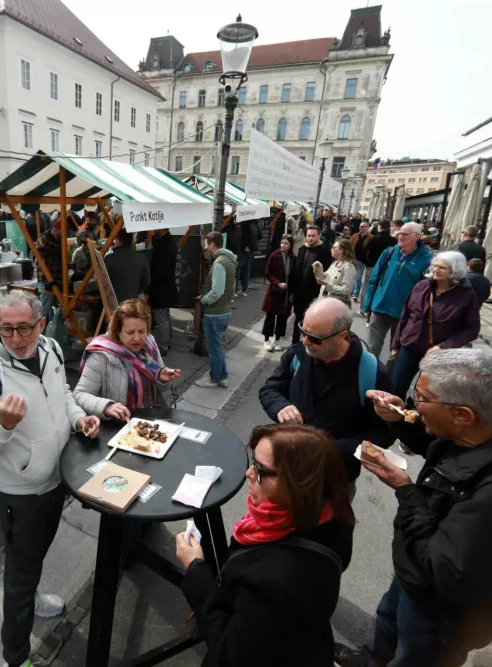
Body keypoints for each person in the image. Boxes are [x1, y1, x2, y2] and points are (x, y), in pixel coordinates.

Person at [336, 350, 492, 667]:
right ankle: (373, 658)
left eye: (422, 399)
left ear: (463, 414)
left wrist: (405, 490)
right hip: (416, 569)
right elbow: (444, 453)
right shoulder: (486, 430)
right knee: (389, 618)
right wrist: (401, 418)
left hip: (443, 606)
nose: (415, 405)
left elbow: (444, 568)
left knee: (415, 653)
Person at [0, 291, 100, 667]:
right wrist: (3, 427)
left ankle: (33, 596)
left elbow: (65, 396)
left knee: (32, 560)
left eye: (24, 328)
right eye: (7, 329)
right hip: (20, 495)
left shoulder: (52, 348)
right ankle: (16, 657)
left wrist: (77, 419)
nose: (17, 339)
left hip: (57, 480)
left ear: (41, 324)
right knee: (18, 577)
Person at [175, 423, 354, 666]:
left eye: (260, 469)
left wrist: (195, 569)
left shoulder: (275, 581)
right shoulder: (330, 514)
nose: (248, 473)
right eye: (253, 461)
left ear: (298, 483)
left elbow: (229, 654)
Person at [258, 298, 393, 487]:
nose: (305, 341)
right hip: (287, 464)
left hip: (333, 478)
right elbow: (270, 389)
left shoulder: (373, 373)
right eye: (303, 331)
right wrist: (280, 406)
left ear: (341, 336)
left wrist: (331, 449)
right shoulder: (297, 354)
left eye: (315, 338)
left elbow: (384, 434)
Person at [390, 251, 481, 399]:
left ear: (455, 270)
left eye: (442, 267)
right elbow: (406, 315)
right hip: (410, 346)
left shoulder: (466, 295)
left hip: (439, 355)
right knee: (396, 388)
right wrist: (396, 344)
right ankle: (393, 420)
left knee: (426, 395)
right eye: (435, 266)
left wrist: (443, 346)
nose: (436, 270)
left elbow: (472, 330)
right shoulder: (421, 286)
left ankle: (418, 419)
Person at [73, 299, 180, 417]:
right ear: (117, 331)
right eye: (130, 332)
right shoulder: (100, 355)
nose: (137, 338)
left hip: (149, 421)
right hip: (119, 426)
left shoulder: (150, 344)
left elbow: (159, 388)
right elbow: (80, 395)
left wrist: (162, 379)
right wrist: (106, 406)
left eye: (142, 331)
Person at [362, 222, 434, 361]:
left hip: (403, 313)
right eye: (399, 233)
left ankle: (389, 379)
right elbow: (374, 279)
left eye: (405, 234)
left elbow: (425, 293)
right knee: (372, 349)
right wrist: (368, 305)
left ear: (417, 236)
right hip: (379, 307)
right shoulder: (389, 252)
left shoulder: (426, 259)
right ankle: (371, 378)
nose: (400, 237)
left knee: (395, 353)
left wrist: (416, 316)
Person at [195, 232, 237, 389]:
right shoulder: (229, 260)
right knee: (218, 347)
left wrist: (203, 300)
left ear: (212, 245)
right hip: (224, 311)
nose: (205, 247)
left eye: (206, 244)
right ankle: (223, 377)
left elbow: (217, 291)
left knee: (213, 349)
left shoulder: (219, 262)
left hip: (215, 313)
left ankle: (213, 379)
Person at [289, 225, 330, 345]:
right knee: (297, 319)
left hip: (313, 294)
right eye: (308, 236)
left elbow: (326, 274)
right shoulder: (302, 249)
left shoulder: (324, 252)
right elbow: (295, 271)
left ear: (318, 236)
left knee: (311, 322)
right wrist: (292, 291)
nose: (310, 238)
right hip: (299, 292)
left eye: (313, 236)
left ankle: (308, 344)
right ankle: (295, 344)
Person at [147, 228, 178, 355]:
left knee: (161, 317)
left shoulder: (163, 244)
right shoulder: (168, 241)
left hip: (161, 288)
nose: (152, 229)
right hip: (167, 287)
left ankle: (163, 346)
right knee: (165, 315)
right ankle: (168, 340)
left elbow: (160, 270)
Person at [261, 235, 295, 351]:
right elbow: (268, 272)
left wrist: (291, 292)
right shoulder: (275, 255)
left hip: (286, 293)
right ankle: (266, 340)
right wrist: (278, 283)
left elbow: (294, 276)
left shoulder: (293, 258)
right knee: (270, 316)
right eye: (282, 243)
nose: (283, 245)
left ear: (290, 245)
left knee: (282, 317)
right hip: (275, 290)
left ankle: (277, 339)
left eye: (286, 243)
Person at [104, 229, 150, 305]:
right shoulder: (141, 258)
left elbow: (103, 282)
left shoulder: (109, 259)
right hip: (133, 302)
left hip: (114, 304)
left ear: (118, 240)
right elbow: (147, 281)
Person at [362, 219, 397, 312]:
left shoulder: (374, 238)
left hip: (372, 266)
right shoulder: (393, 240)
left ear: (379, 227)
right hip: (387, 268)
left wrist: (367, 261)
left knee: (367, 287)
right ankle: (375, 307)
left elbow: (364, 250)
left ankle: (364, 308)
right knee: (380, 288)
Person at [316, 239, 358, 306]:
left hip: (337, 306)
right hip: (325, 303)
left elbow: (346, 290)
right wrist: (318, 269)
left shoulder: (349, 267)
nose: (331, 249)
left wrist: (328, 285)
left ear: (341, 250)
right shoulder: (334, 263)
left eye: (334, 247)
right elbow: (322, 279)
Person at [36, 218, 65, 310]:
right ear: (56, 229)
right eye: (62, 231)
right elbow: (52, 248)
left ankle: (50, 324)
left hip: (57, 279)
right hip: (46, 280)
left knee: (55, 308)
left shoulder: (59, 240)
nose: (64, 234)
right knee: (45, 308)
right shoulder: (43, 238)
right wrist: (63, 248)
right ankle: (41, 324)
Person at [235, 219, 260, 297]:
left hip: (243, 249)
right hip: (251, 250)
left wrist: (245, 245)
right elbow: (260, 235)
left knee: (238, 269)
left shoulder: (243, 222)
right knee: (246, 268)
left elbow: (241, 237)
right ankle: (244, 289)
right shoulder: (255, 222)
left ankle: (235, 290)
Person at [352, 221, 372, 301]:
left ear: (367, 227)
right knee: (357, 277)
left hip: (366, 260)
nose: (360, 228)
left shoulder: (371, 237)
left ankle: (355, 293)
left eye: (363, 226)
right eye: (360, 226)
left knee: (359, 277)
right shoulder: (355, 236)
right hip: (356, 259)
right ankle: (355, 293)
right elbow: (351, 246)